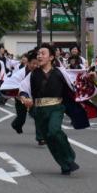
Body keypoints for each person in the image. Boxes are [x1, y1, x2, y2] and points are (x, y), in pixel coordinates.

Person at [18, 44, 79, 175]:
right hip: (39, 110)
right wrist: (25, 98)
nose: (39, 56)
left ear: (51, 57)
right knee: (50, 139)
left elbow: (74, 85)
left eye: (43, 53)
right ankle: (65, 165)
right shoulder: (33, 74)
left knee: (54, 130)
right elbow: (23, 89)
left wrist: (89, 78)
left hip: (56, 107)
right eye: (38, 53)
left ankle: (69, 157)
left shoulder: (60, 72)